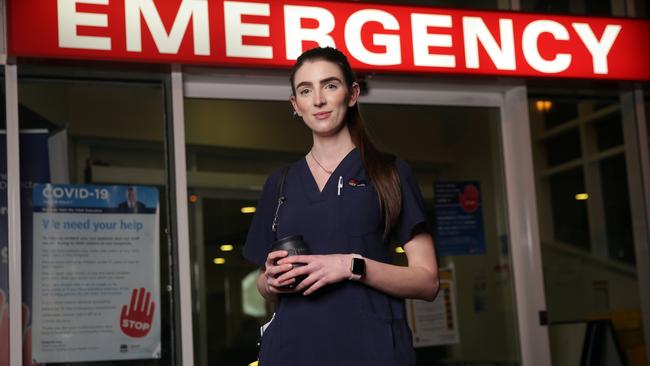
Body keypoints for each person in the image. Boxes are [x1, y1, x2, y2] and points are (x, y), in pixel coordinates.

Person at [243, 46, 439, 366]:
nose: (318, 100)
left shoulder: (389, 173)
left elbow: (427, 281)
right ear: (296, 105)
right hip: (291, 352)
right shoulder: (280, 184)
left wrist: (351, 265)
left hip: (370, 351)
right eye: (306, 90)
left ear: (352, 94)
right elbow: (264, 285)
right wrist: (271, 281)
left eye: (330, 85)